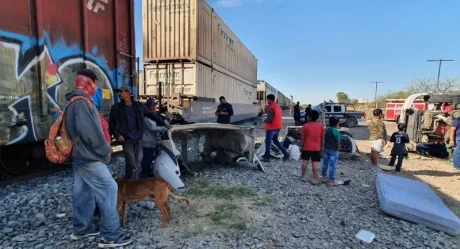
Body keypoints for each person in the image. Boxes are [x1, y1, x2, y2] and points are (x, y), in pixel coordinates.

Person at [65, 69, 132, 247]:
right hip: (89, 156)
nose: (96, 87)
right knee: (110, 189)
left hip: (80, 156)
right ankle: (111, 236)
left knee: (84, 192)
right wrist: (105, 151)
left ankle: (82, 229)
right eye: (95, 82)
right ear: (89, 82)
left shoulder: (74, 101)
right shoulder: (82, 103)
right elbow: (91, 134)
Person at [109, 84, 170, 179]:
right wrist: (117, 135)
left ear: (128, 92)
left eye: (121, 91)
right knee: (132, 163)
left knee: (134, 163)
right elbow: (111, 123)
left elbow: (151, 115)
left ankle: (129, 182)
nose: (119, 94)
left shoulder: (139, 106)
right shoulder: (116, 107)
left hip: (137, 138)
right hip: (126, 139)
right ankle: (131, 184)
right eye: (119, 92)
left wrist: (165, 124)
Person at [140, 98, 168, 179]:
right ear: (149, 107)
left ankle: (149, 172)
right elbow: (152, 128)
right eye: (153, 105)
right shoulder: (146, 117)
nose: (155, 106)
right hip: (148, 142)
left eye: (155, 105)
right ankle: (145, 174)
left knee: (152, 157)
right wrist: (164, 128)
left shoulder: (152, 115)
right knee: (147, 159)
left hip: (152, 141)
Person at [261, 94, 289, 162]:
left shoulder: (271, 108)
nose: (267, 101)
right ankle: (285, 153)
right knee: (276, 141)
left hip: (271, 128)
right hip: (278, 127)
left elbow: (269, 120)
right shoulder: (277, 106)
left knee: (267, 142)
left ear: (270, 99)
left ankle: (267, 157)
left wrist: (264, 119)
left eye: (267, 99)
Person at [300, 110, 325, 185]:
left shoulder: (305, 126)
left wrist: (301, 146)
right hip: (316, 148)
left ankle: (303, 177)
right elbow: (323, 139)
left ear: (309, 117)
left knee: (305, 162)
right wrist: (322, 148)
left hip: (306, 147)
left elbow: (302, 138)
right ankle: (314, 179)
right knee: (315, 164)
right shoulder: (321, 127)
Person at [321, 117, 341, 186]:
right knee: (332, 165)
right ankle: (331, 180)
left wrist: (322, 147)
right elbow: (338, 142)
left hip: (326, 149)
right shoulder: (337, 132)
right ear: (337, 124)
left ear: (329, 123)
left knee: (325, 163)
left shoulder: (326, 130)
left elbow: (323, 139)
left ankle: (324, 177)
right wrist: (338, 150)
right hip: (334, 150)